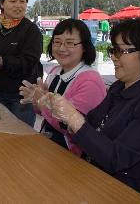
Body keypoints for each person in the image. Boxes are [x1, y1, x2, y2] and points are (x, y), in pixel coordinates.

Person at [46, 18, 140, 203]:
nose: (113, 57)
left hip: (133, 193)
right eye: (113, 50)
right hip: (98, 181)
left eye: (120, 50)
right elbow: (90, 123)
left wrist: (73, 118)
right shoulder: (119, 88)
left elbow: (116, 158)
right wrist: (61, 112)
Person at [19, 19, 106, 156]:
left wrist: (42, 102)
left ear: (84, 47)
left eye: (70, 43)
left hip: (75, 156)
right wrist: (35, 99)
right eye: (57, 42)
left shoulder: (90, 81)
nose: (62, 48)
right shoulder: (55, 71)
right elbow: (45, 113)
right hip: (50, 147)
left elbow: (69, 126)